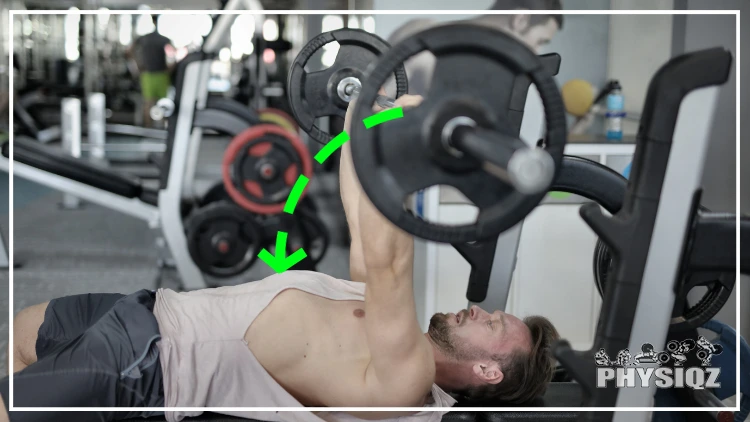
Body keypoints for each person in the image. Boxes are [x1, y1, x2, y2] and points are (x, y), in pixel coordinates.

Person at [0, 38, 561, 422]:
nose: (480, 310)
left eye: (494, 325)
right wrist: (362, 114)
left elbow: (393, 262)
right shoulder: (386, 323)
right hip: (150, 311)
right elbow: (364, 224)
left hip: (150, 363)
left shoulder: (406, 379)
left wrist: (404, 134)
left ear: (487, 371)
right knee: (27, 330)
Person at [386, 0, 564, 96]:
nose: (536, 52)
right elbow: (367, 120)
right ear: (521, 19)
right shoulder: (420, 33)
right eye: (540, 41)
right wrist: (405, 111)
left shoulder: (491, 71)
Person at [126, 15, 174, 128]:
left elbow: (128, 51)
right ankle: (159, 129)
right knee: (160, 103)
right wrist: (171, 68)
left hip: (151, 73)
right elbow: (174, 54)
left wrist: (137, 65)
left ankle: (150, 129)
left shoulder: (146, 38)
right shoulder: (160, 39)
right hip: (159, 74)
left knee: (150, 103)